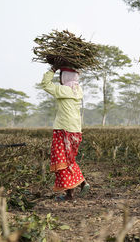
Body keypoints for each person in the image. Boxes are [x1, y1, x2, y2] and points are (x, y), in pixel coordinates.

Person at [40, 64, 90, 200]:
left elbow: (44, 84)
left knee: (61, 161)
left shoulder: (63, 90)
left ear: (64, 77)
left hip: (63, 130)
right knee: (69, 160)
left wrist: (52, 69)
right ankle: (81, 183)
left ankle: (71, 193)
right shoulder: (78, 90)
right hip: (76, 131)